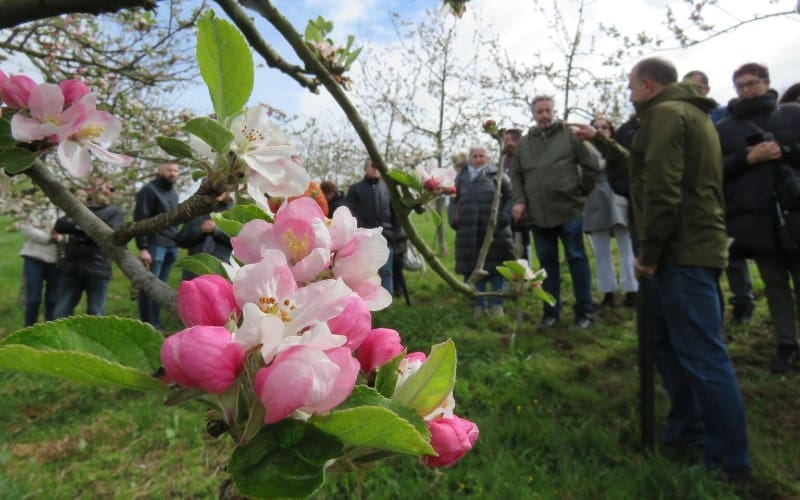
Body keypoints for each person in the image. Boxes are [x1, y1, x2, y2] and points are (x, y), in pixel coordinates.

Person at [624, 57, 751, 480]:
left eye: (631, 86)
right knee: (667, 345)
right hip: (687, 248)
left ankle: (728, 461)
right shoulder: (690, 115)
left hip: (682, 252)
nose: (629, 95)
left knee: (701, 355)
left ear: (647, 85)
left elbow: (663, 189)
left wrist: (649, 252)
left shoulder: (666, 115)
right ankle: (687, 431)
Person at [716, 62, 800, 373]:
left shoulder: (790, 114)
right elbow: (715, 170)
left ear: (766, 83)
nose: (746, 90)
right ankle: (786, 344)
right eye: (740, 86)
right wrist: (748, 159)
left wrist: (784, 151)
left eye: (752, 83)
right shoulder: (725, 129)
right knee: (775, 284)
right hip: (756, 220)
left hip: (794, 212)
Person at [510, 95, 600, 329]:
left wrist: (581, 192)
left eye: (548, 110)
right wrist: (519, 201)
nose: (544, 116)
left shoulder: (569, 136)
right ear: (533, 114)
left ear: (553, 111)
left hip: (569, 211)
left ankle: (584, 312)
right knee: (547, 266)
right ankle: (550, 313)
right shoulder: (525, 144)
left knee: (577, 258)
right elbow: (516, 175)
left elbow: (592, 164)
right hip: (538, 216)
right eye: (540, 112)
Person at [684, 69, 756, 324]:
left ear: (706, 89)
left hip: (729, 190)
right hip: (701, 196)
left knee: (733, 249)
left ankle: (743, 301)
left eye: (695, 87)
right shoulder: (683, 118)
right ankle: (715, 306)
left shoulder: (725, 117)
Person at [448, 145, 514, 317]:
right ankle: (479, 304)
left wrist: (503, 218)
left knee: (497, 268)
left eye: (481, 156)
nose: (478, 159)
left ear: (488, 158)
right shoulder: (461, 178)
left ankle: (497, 305)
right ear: (470, 158)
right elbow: (453, 200)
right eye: (475, 156)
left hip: (495, 231)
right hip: (468, 231)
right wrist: (454, 220)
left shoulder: (497, 174)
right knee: (474, 268)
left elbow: (510, 196)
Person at [582, 117, 637, 309]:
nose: (600, 129)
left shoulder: (617, 150)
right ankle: (608, 292)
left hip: (618, 200)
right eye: (595, 127)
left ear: (611, 131)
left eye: (604, 127)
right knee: (600, 251)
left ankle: (632, 291)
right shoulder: (583, 151)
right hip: (595, 201)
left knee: (627, 248)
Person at [53, 179, 123, 317]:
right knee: (61, 312)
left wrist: (77, 227)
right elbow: (60, 225)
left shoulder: (115, 212)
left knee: (96, 313)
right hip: (72, 267)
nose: (106, 191)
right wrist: (91, 230)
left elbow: (109, 234)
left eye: (111, 189)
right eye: (102, 188)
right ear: (91, 190)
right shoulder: (78, 208)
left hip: (98, 267)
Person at [134, 163, 180, 330]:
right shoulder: (149, 191)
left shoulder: (173, 194)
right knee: (150, 288)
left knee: (160, 288)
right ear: (160, 171)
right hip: (154, 245)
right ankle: (148, 325)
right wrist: (143, 247)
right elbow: (141, 219)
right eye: (169, 170)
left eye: (176, 171)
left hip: (171, 245)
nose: (173, 174)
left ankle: (156, 324)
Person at [344, 159, 397, 293]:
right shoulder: (355, 189)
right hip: (363, 238)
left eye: (377, 166)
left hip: (386, 237)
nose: (375, 169)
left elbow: (395, 214)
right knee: (364, 272)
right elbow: (347, 210)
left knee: (386, 271)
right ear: (365, 169)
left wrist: (396, 235)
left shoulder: (388, 189)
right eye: (371, 166)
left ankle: (386, 300)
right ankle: (366, 300)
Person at [175, 192, 234, 280]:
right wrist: (200, 230)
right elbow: (181, 240)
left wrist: (216, 230)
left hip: (221, 268)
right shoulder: (196, 212)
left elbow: (240, 241)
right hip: (194, 269)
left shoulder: (233, 213)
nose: (219, 190)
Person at [18, 209, 62, 326]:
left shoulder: (67, 211)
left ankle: (50, 331)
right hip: (34, 258)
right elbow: (27, 229)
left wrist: (61, 237)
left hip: (57, 261)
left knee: (52, 299)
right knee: (33, 299)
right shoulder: (40, 208)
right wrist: (50, 237)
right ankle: (28, 330)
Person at [502, 128, 530, 260]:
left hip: (524, 213)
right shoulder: (502, 162)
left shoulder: (527, 158)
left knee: (523, 247)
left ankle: (526, 276)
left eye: (511, 140)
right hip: (506, 214)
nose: (508, 143)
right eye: (506, 140)